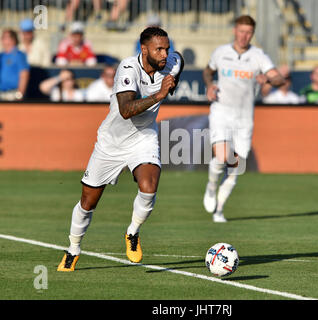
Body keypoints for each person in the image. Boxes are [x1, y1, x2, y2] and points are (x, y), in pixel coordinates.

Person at [57, 27, 184, 271]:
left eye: (166, 48)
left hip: (143, 138)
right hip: (111, 142)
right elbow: (126, 111)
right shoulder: (127, 67)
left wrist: (171, 83)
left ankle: (132, 232)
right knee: (88, 201)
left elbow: (179, 62)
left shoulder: (172, 62)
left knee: (149, 187)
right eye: (159, 49)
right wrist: (160, 94)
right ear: (144, 49)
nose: (165, 54)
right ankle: (73, 249)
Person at [202, 15, 285, 223]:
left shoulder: (258, 56)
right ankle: (211, 187)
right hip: (221, 111)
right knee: (221, 157)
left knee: (235, 167)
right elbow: (207, 71)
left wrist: (268, 78)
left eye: (248, 32)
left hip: (244, 118)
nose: (244, 36)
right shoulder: (221, 52)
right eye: (241, 31)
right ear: (234, 31)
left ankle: (219, 210)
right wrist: (209, 85)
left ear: (252, 34)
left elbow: (279, 78)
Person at [0, 29, 30, 101]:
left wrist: (20, 94)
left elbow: (24, 74)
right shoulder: (1, 56)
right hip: (0, 94)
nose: (2, 40)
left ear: (13, 39)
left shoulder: (19, 55)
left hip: (13, 94)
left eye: (5, 38)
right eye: (2, 38)